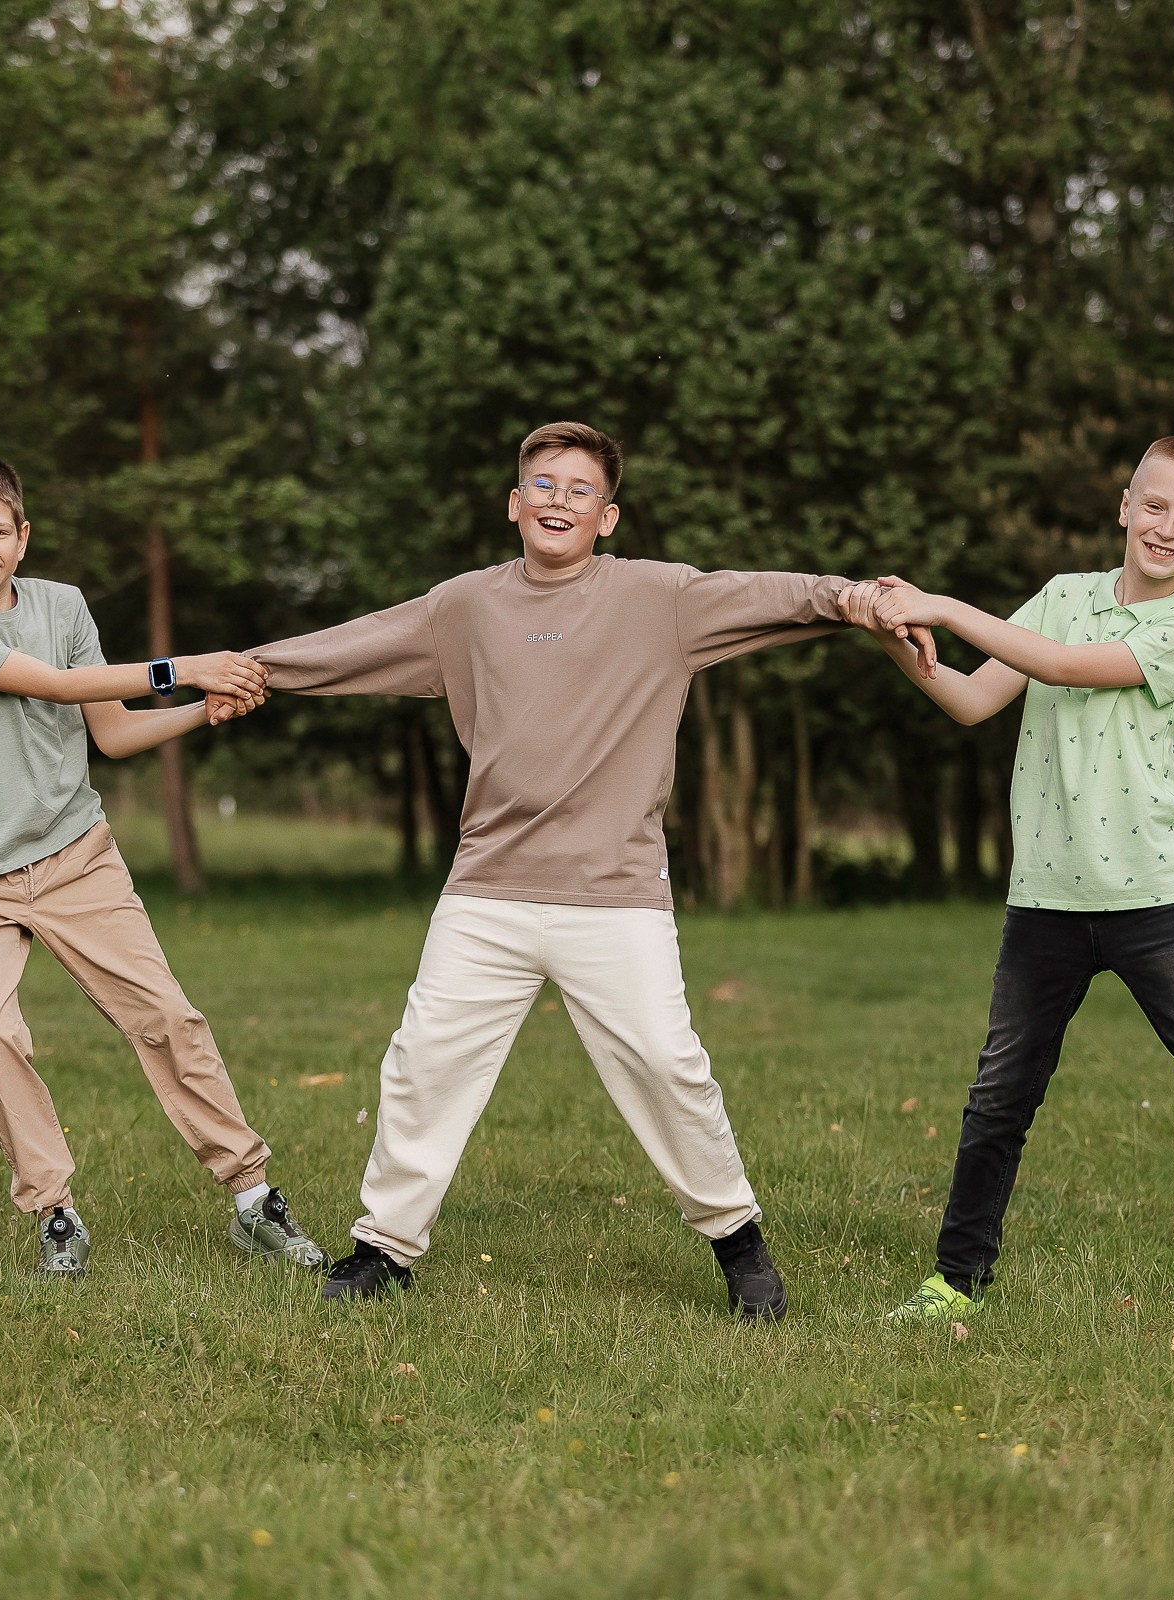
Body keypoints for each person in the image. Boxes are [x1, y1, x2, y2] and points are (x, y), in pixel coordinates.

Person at [218, 422, 881, 1319]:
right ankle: (384, 1250)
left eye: (580, 490)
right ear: (513, 504)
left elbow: (774, 595)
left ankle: (739, 1244)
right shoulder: (463, 608)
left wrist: (852, 598)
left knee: (666, 1064)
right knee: (424, 1064)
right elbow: (357, 644)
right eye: (543, 484)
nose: (558, 500)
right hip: (486, 888)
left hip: (614, 894)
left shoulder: (661, 598)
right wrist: (251, 671)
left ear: (608, 518)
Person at [860, 436, 1174, 1323]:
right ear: (1125, 505)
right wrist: (898, 635)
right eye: (1154, 506)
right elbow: (970, 700)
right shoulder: (1060, 598)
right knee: (998, 1100)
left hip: (1156, 898)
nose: (1167, 527)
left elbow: (1063, 667)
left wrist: (943, 603)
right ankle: (955, 1284)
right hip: (1045, 900)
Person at [0, 452, 328, 1276]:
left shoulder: (62, 605)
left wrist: (201, 708)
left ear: (23, 537)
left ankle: (252, 1199)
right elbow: (55, 687)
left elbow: (113, 729)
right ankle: (55, 1213)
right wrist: (186, 667)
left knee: (167, 1017)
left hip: (77, 859)